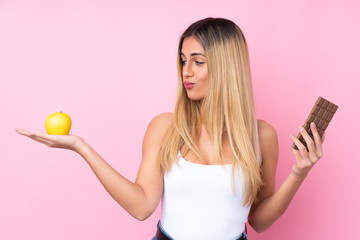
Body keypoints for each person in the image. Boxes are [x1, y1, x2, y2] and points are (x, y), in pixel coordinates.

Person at [16, 17, 325, 240]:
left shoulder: (261, 137)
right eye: (182, 60)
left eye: (197, 61)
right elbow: (141, 207)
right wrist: (81, 147)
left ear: (226, 67)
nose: (185, 72)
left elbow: (258, 221)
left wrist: (298, 173)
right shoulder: (166, 128)